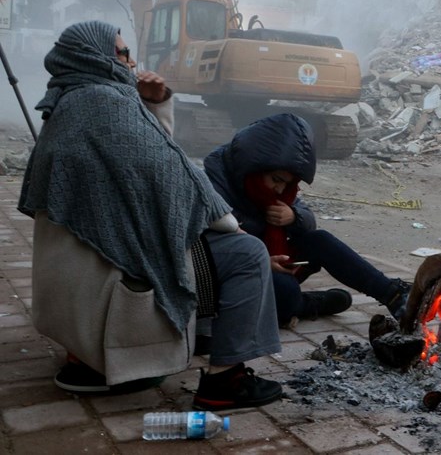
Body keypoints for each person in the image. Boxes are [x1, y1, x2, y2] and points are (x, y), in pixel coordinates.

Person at [18, 20, 283, 410]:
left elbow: (148, 164)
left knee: (208, 249)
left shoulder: (72, 98)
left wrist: (156, 103)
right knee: (246, 254)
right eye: (124, 53)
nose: (132, 61)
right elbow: (173, 177)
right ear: (98, 56)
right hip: (112, 287)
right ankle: (225, 380)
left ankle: (197, 338)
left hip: (83, 288)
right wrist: (232, 225)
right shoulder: (105, 103)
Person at [203, 113, 411, 328]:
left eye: (288, 184)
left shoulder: (279, 190)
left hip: (275, 262)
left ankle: (394, 296)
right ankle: (306, 304)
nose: (280, 189)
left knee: (319, 240)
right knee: (285, 291)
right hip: (235, 270)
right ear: (255, 166)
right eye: (276, 180)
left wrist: (294, 216)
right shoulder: (213, 182)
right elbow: (207, 248)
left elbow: (308, 220)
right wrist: (261, 260)